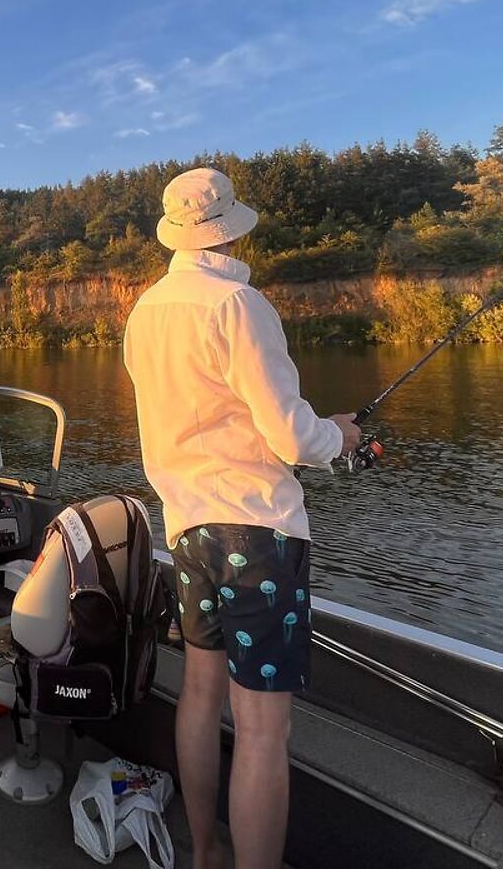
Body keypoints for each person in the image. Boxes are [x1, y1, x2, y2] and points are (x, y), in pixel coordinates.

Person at [122, 167, 361, 869]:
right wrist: (340, 436)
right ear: (230, 226)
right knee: (260, 732)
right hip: (255, 531)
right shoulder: (239, 303)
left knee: (198, 694)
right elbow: (290, 437)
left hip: (188, 531)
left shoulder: (144, 312)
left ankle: (205, 852)